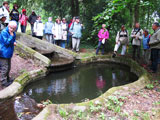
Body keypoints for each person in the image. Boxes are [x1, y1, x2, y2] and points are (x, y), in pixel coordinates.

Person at [0, 21, 17, 87]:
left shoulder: (13, 33)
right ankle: (3, 82)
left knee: (8, 67)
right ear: (8, 26)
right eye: (10, 27)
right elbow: (6, 43)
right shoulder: (4, 32)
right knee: (4, 68)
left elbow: (13, 40)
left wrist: (14, 42)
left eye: (13, 28)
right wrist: (11, 36)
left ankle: (7, 78)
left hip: (9, 52)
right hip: (3, 52)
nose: (11, 29)